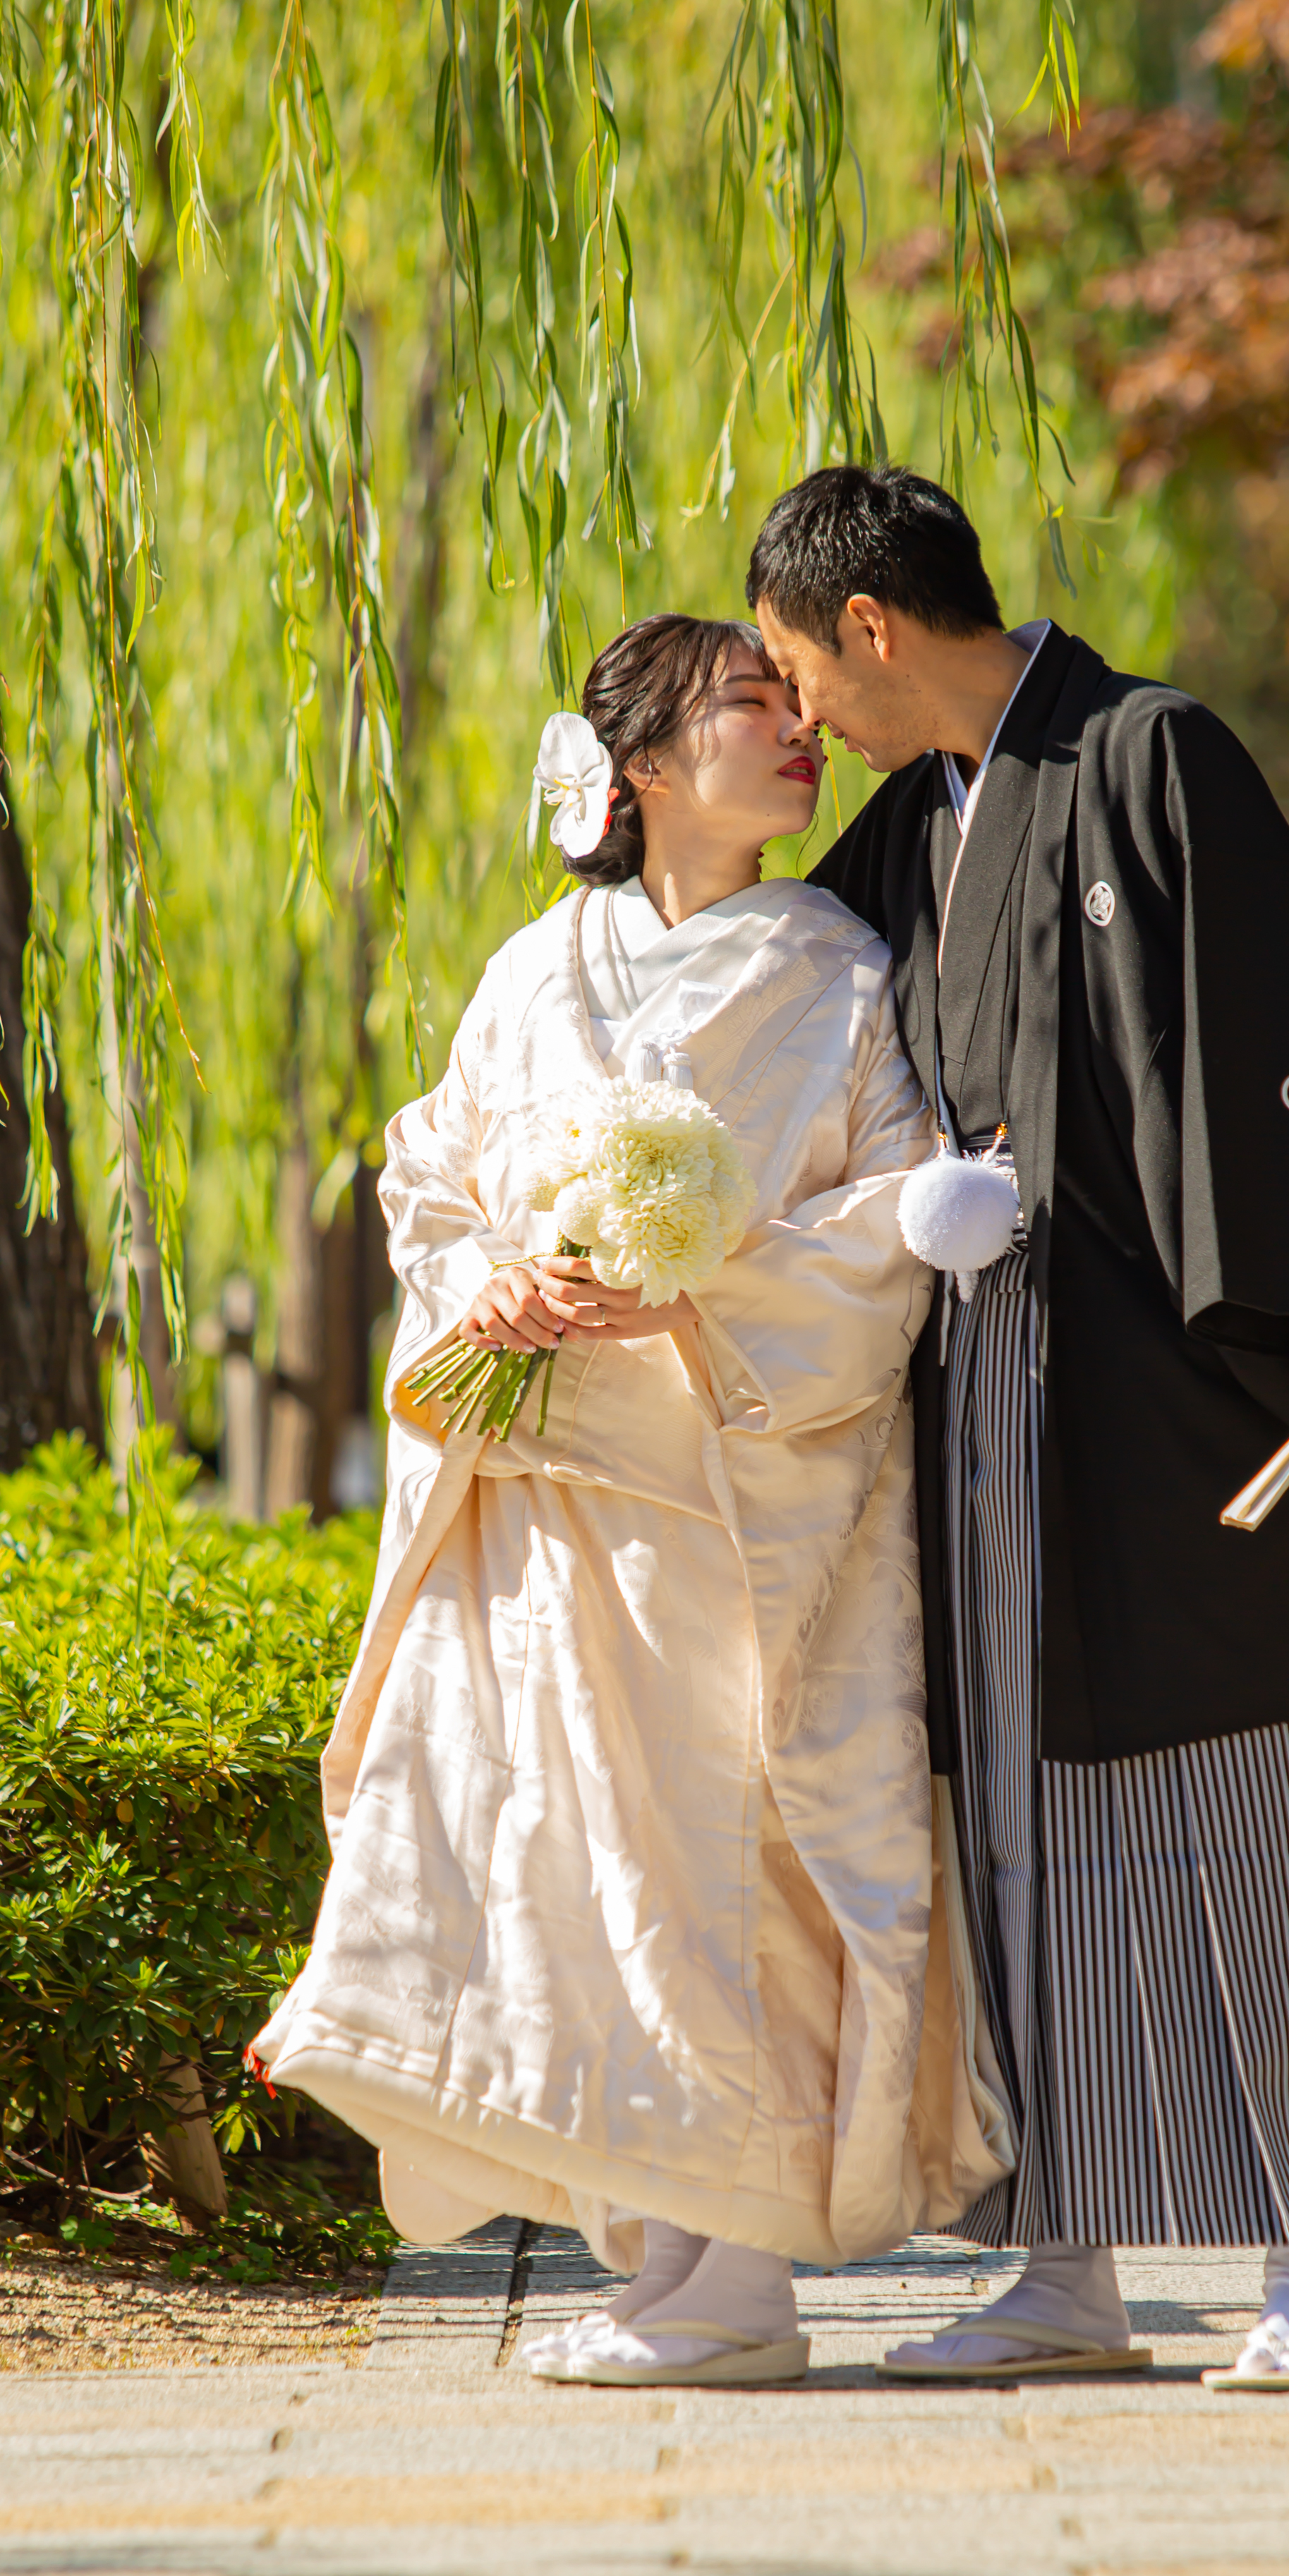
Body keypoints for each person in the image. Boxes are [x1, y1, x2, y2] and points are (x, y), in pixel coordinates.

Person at [748, 468, 1289, 2390]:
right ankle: (1057, 2268)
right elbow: (786, 1034)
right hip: (988, 1403)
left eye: (791, 670)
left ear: (871, 629)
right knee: (1016, 1830)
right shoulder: (913, 836)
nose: (799, 718)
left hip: (1180, 1388)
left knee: (1245, 1815)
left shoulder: (1150, 754)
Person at [252, 612, 1006, 2388]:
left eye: (790, 702)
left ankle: (741, 2275)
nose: (795, 729)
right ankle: (660, 2255)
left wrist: (699, 1296)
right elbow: (427, 1172)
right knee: (572, 1865)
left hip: (733, 1501)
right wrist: (487, 1293)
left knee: (725, 1860)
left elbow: (893, 1215)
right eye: (749, 706)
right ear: (643, 769)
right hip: (550, 1505)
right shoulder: (535, 968)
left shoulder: (835, 967)